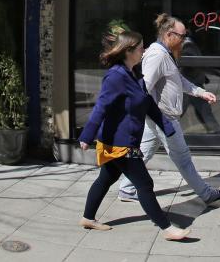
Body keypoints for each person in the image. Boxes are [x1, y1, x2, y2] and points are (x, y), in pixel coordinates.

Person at [78, 29, 190, 241]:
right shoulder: (116, 76)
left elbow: (147, 102)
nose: (144, 50)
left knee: (106, 177)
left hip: (125, 140)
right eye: (140, 48)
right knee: (145, 184)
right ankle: (166, 228)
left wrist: (166, 126)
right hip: (119, 143)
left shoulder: (134, 73)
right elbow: (101, 106)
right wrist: (86, 136)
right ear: (129, 51)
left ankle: (88, 218)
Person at [119, 14, 220, 207]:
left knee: (143, 153)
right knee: (183, 160)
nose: (184, 39)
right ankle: (208, 195)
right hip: (163, 117)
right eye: (181, 36)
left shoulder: (165, 53)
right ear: (168, 34)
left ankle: (126, 188)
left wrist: (200, 92)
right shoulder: (158, 55)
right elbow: (144, 88)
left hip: (158, 117)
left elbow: (177, 80)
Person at [180, 34, 220, 134]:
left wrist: (205, 77)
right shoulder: (189, 47)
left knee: (202, 110)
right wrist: (217, 72)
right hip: (191, 86)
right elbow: (199, 64)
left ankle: (215, 132)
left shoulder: (186, 46)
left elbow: (196, 66)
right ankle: (218, 134)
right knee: (202, 110)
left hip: (190, 86)